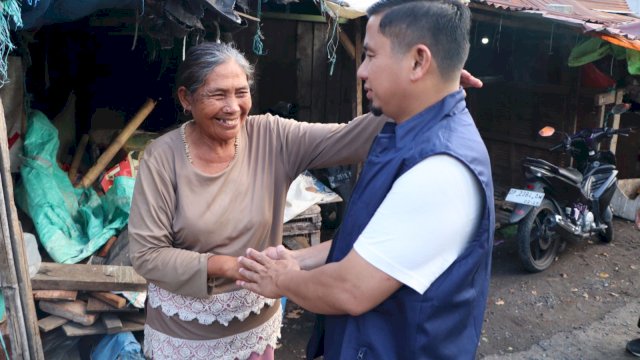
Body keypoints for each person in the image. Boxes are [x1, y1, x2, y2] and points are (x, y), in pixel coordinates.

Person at [237, 0, 495, 359]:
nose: (361, 71)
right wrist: (299, 261)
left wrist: (280, 280)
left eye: (371, 55)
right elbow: (374, 244)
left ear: (418, 61)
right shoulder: (403, 134)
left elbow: (351, 288)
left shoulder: (441, 167)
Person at [127, 42, 389, 359]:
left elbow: (355, 137)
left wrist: (423, 92)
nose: (233, 107)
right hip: (184, 333)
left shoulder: (272, 136)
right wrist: (233, 266)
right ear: (186, 98)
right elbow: (147, 255)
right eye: (218, 94)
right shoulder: (162, 157)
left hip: (253, 326)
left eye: (241, 92)